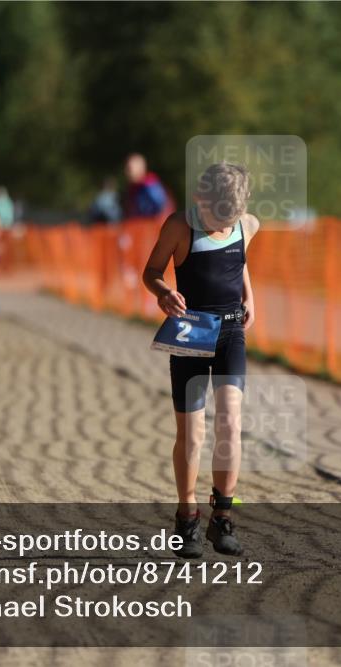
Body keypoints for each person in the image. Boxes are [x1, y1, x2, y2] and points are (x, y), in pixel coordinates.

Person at [142, 162, 259, 559]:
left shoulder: (248, 224)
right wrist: (162, 293)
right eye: (215, 215)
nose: (222, 224)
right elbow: (151, 271)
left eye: (230, 217)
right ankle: (186, 515)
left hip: (230, 333)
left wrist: (250, 296)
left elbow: (239, 260)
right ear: (198, 199)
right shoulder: (179, 226)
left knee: (230, 423)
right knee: (192, 434)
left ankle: (223, 516)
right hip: (191, 333)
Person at [123, 153, 171, 219]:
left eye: (129, 168)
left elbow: (163, 208)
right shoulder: (133, 189)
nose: (126, 172)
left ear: (140, 168)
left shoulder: (150, 185)